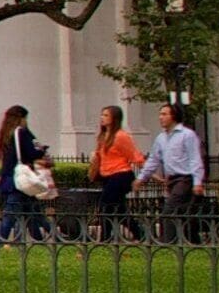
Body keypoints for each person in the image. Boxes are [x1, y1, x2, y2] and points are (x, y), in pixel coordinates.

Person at [0, 105, 51, 245]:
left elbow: (8, 162)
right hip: (19, 182)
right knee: (12, 216)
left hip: (11, 180)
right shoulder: (22, 132)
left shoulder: (7, 135)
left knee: (34, 213)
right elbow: (32, 152)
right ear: (22, 118)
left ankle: (45, 239)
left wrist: (1, 178)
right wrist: (43, 149)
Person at [150, 101, 207, 240]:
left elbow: (195, 159)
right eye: (160, 114)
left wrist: (197, 182)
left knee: (169, 211)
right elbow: (153, 159)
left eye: (164, 114)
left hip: (185, 178)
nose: (160, 117)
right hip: (172, 179)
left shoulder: (187, 135)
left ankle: (167, 242)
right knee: (184, 211)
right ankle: (192, 240)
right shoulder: (161, 138)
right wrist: (143, 177)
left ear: (173, 116)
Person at [89, 104, 146, 240]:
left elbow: (135, 155)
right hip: (107, 176)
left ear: (115, 118)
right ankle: (140, 234)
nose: (102, 118)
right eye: (102, 115)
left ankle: (105, 238)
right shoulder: (103, 136)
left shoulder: (121, 136)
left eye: (106, 115)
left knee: (105, 205)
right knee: (119, 209)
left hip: (121, 175)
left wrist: (151, 174)